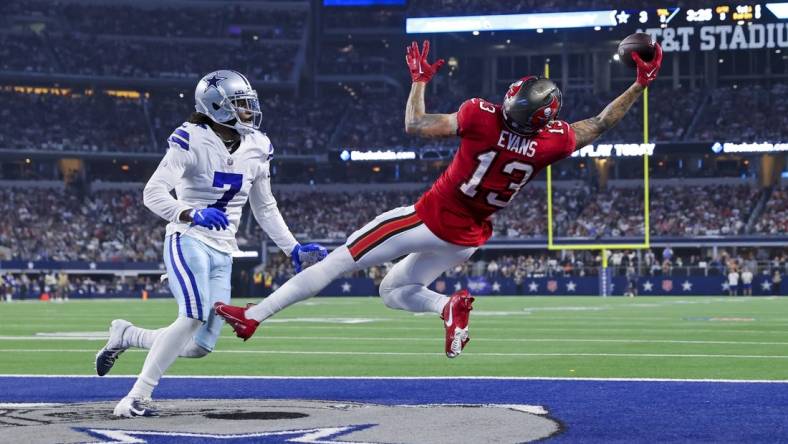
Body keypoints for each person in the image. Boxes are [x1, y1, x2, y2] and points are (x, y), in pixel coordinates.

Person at [215, 40, 664, 358]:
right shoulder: (553, 142)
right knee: (393, 291)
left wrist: (419, 80)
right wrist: (640, 84)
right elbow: (600, 123)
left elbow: (414, 124)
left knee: (334, 262)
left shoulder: (481, 117)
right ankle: (446, 307)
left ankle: (254, 315)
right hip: (467, 238)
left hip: (428, 217)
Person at [94, 70, 327, 418]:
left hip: (223, 249)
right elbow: (152, 193)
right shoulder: (191, 138)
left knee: (200, 345)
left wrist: (291, 247)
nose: (249, 112)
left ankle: (127, 335)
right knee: (191, 315)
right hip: (188, 239)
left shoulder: (258, 146)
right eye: (241, 105)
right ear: (217, 107)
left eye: (249, 105)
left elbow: (264, 205)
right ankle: (136, 397)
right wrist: (189, 213)